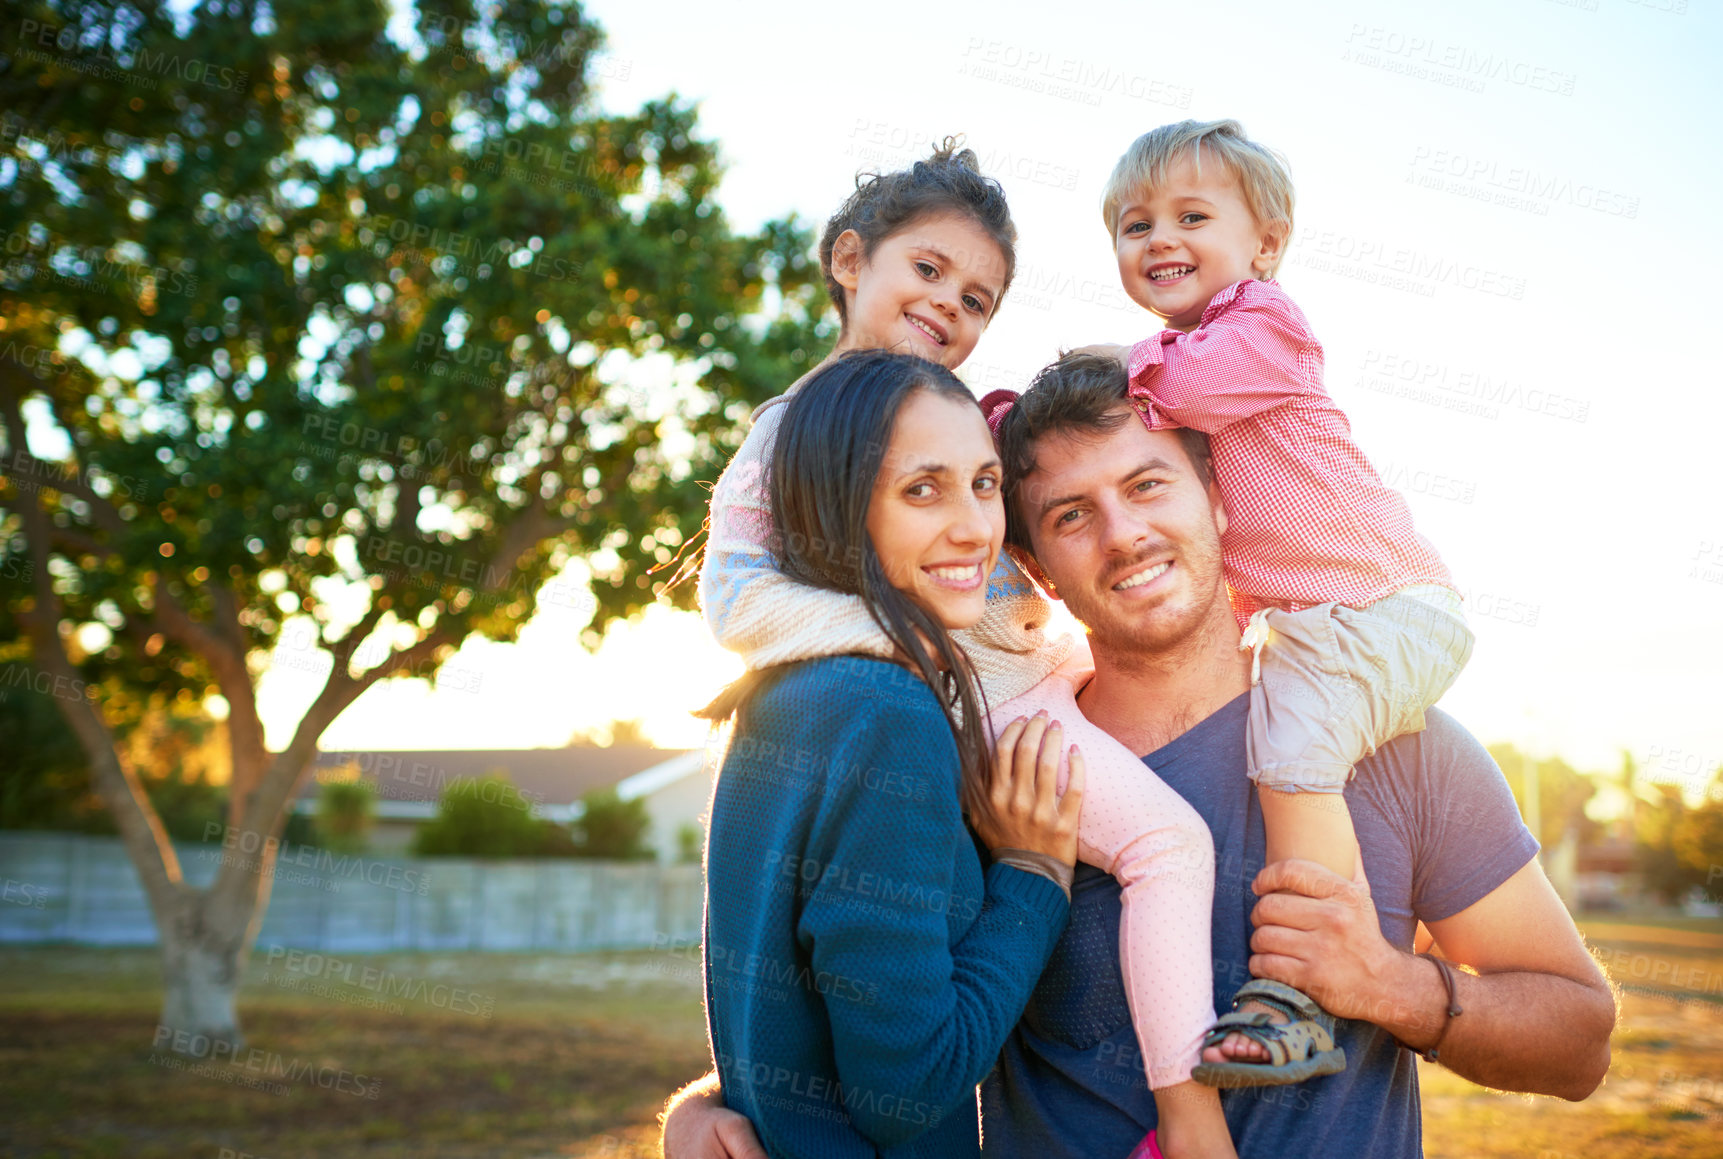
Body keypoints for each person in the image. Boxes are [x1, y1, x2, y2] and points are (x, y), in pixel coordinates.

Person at [666, 353, 1616, 1158]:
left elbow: (1579, 1040)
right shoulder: (986, 770)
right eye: (1071, 514)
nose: (1123, 534)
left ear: (1219, 499)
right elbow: (883, 1014)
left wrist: (1391, 984)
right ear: (1031, 563)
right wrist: (719, 1101)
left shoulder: (1402, 746)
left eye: (1147, 484)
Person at [697, 139, 1238, 1155]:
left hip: (1031, 685)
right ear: (850, 260)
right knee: (1170, 846)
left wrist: (705, 1104)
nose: (951, 306)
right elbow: (733, 597)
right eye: (929, 271)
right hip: (997, 712)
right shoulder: (796, 447)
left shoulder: (942, 426)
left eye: (979, 298)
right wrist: (914, 647)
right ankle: (1191, 1122)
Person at [1041, 118, 1476, 1086]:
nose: (1157, 239)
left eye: (1191, 216)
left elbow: (1169, 384)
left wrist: (1107, 366)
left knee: (1289, 754)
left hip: (1382, 604)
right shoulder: (1185, 372)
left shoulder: (1261, 326)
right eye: (1131, 224)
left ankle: (1309, 985)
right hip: (1332, 616)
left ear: (1265, 245)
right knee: (1283, 721)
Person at [695, 349, 1083, 1156]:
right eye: (921, 489)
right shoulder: (887, 713)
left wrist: (701, 1103)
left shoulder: (784, 692)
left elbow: (784, 1015)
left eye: (983, 483)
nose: (975, 527)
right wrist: (1034, 878)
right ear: (839, 508)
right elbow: (902, 1089)